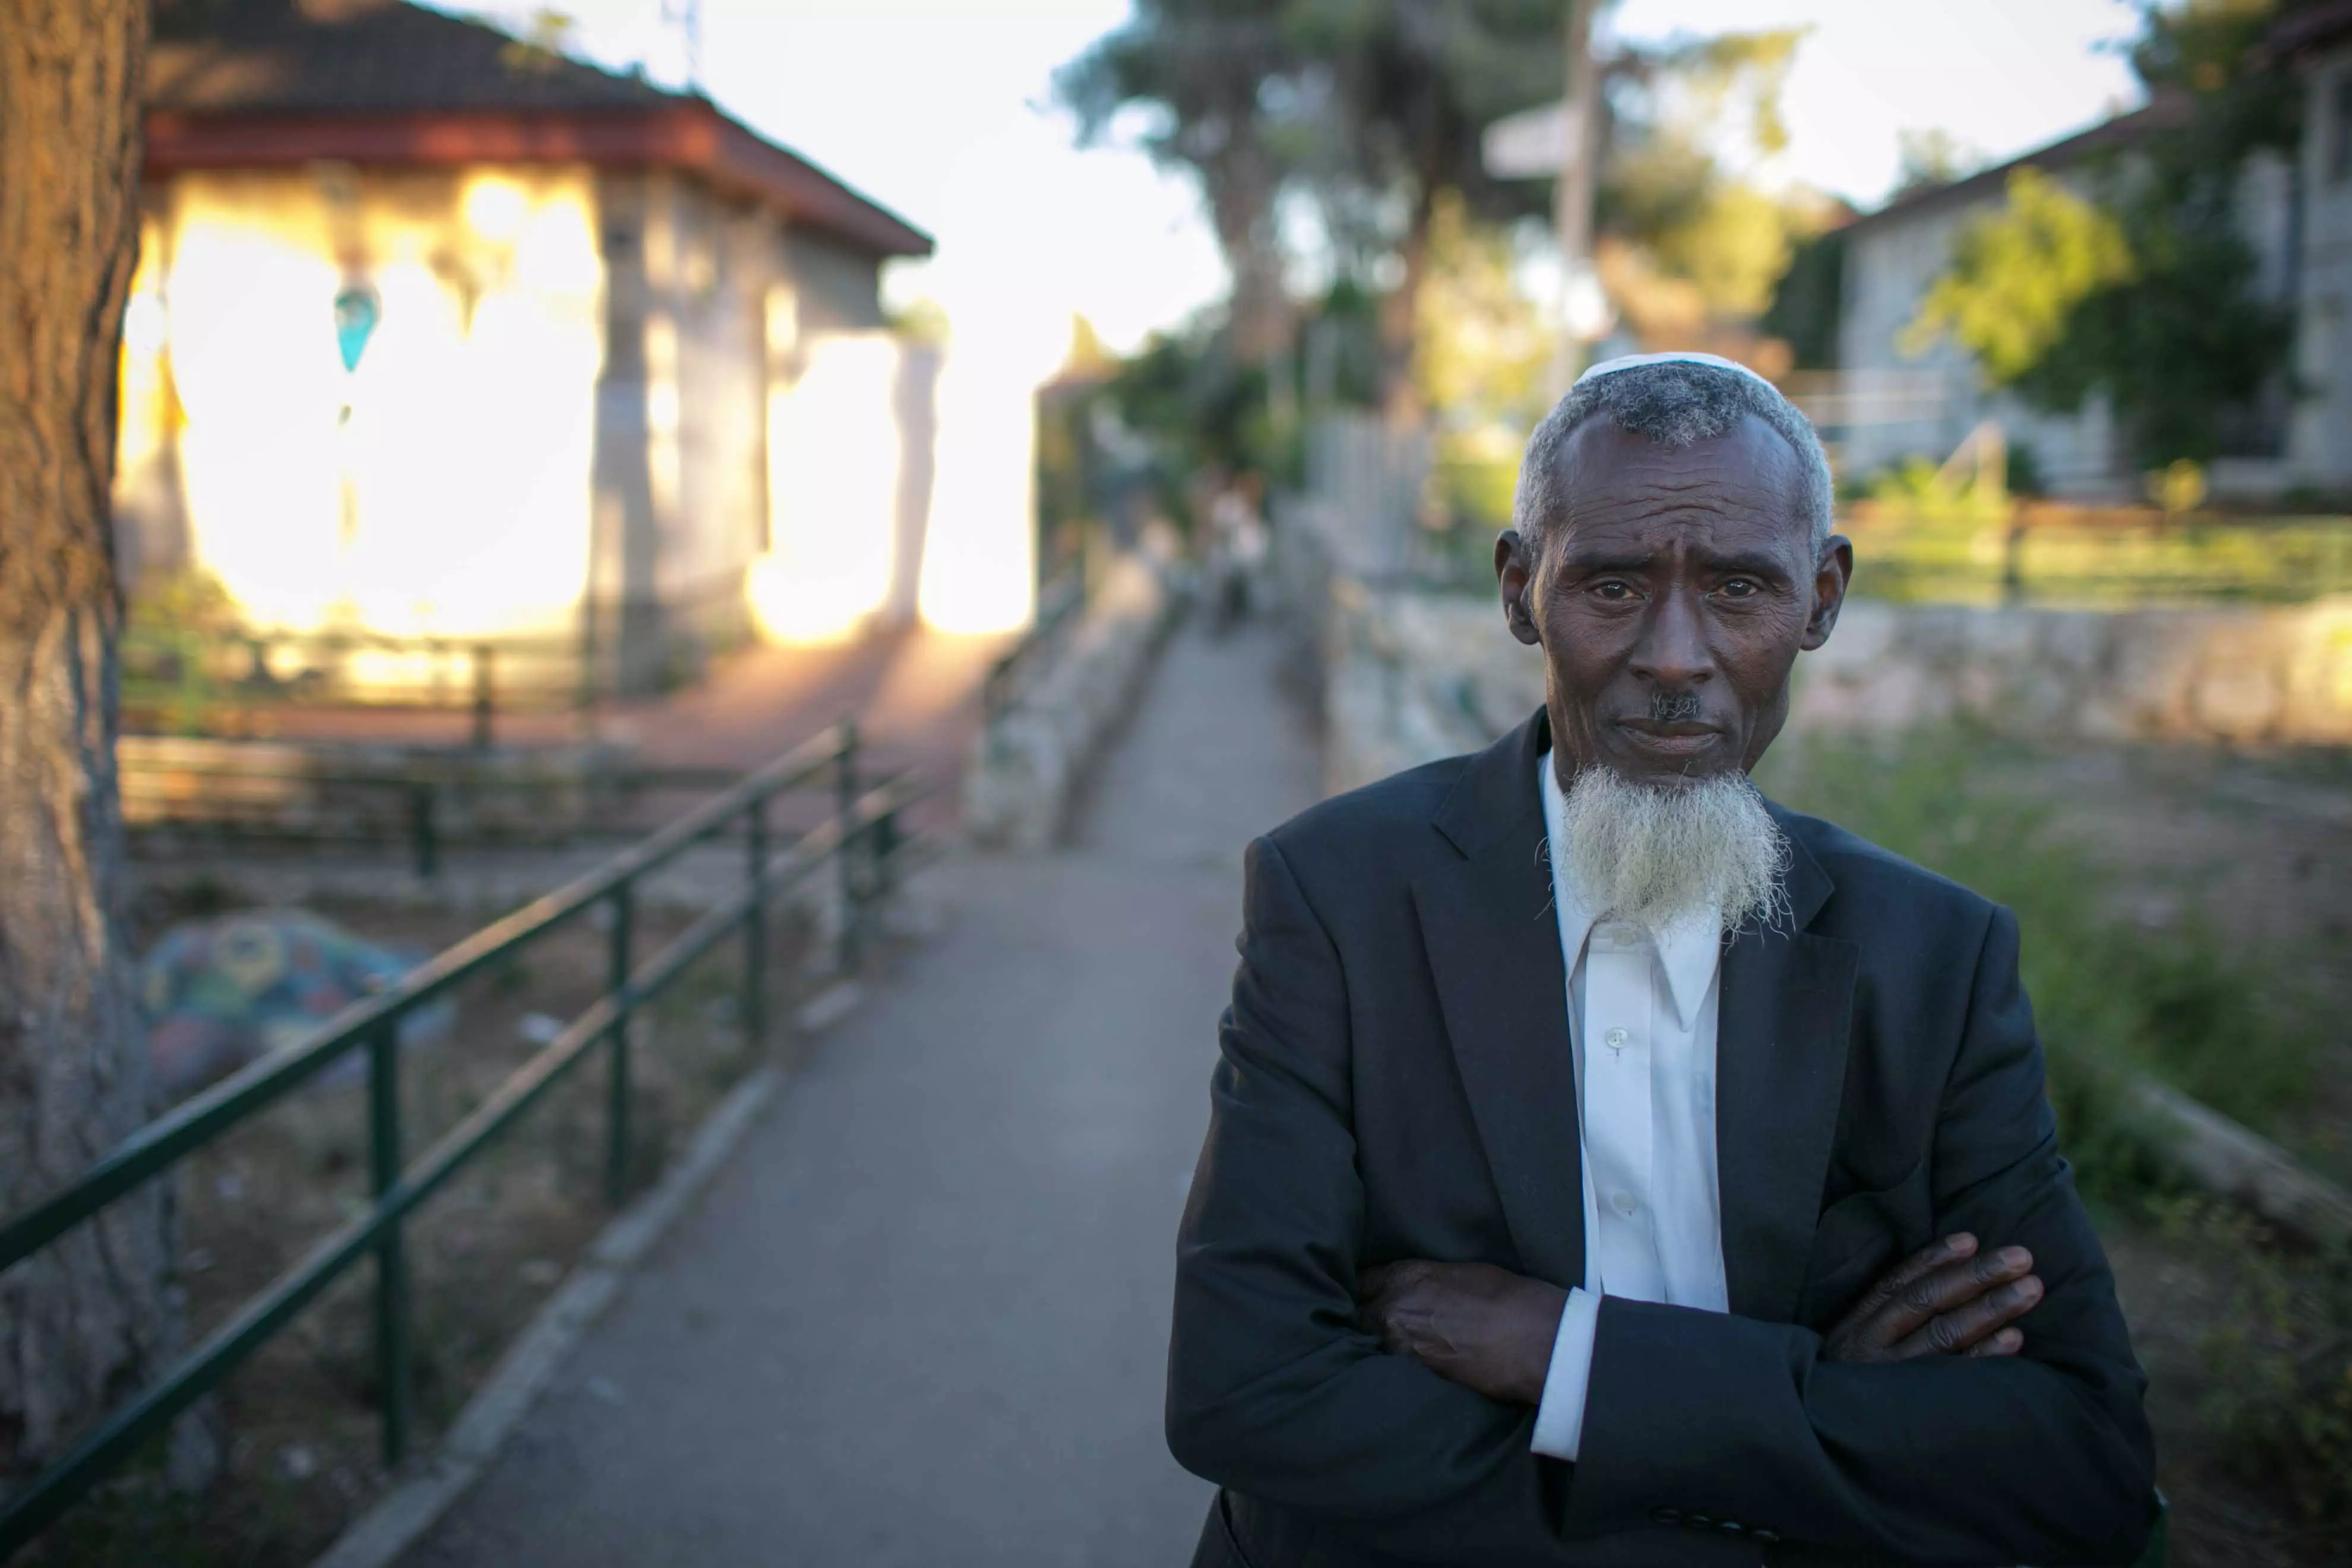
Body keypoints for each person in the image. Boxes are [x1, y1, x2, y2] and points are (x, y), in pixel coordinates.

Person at [1166, 355, 2157, 1566]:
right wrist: (1803, 1416)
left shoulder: (1937, 963)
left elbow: (2084, 1461)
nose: (1677, 656)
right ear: (1522, 589)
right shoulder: (1338, 898)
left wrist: (1565, 1355)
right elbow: (1250, 1395)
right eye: (1614, 586)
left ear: (1823, 600)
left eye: (1740, 589)